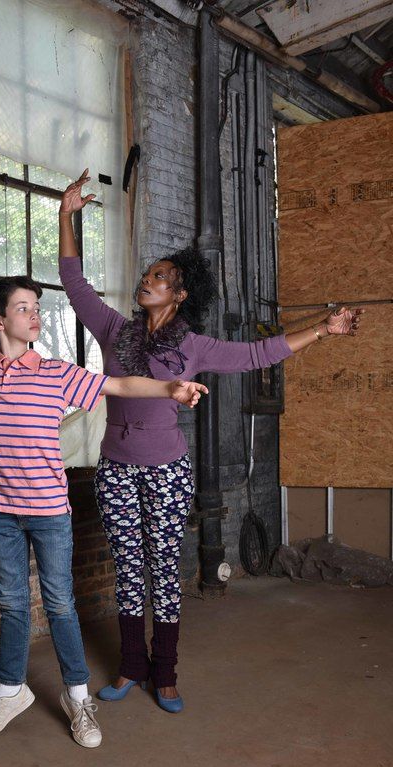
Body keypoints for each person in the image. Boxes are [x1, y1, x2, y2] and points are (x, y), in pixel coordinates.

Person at [58, 169, 365, 713]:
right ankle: (131, 667)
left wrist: (323, 328)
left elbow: (257, 354)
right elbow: (74, 284)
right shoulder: (115, 330)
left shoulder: (194, 346)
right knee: (128, 569)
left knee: (163, 568)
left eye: (159, 276)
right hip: (116, 467)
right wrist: (66, 215)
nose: (146, 280)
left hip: (166, 470)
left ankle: (165, 674)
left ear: (178, 294)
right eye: (147, 274)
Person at [0, 223, 209, 748]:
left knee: (59, 604)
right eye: (24, 308)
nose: (35, 314)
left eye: (36, 306)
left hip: (50, 512)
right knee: (12, 604)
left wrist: (170, 387)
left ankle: (78, 700)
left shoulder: (56, 373)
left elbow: (119, 383)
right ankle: (10, 691)